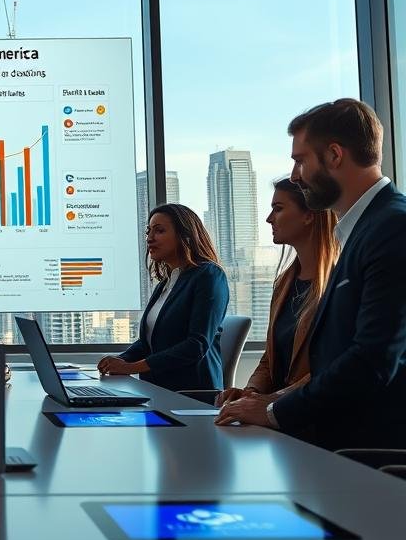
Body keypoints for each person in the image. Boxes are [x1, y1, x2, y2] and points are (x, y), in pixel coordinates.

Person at [217, 99, 406, 449]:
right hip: (330, 446)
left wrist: (274, 411)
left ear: (334, 155)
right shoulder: (361, 231)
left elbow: (373, 359)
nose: (294, 175)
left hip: (363, 456)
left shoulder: (393, 227)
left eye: (300, 160)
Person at [215, 178, 338, 409]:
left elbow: (331, 367)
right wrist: (251, 393)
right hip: (277, 414)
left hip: (312, 415)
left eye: (278, 209)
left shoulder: (339, 284)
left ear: (309, 215)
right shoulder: (284, 283)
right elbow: (270, 359)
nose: (269, 218)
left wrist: (272, 400)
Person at [98, 203, 228, 391]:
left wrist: (131, 368)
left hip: (191, 393)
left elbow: (196, 345)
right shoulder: (166, 283)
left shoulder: (209, 275)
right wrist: (119, 360)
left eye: (159, 231)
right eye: (148, 231)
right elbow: (150, 342)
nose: (150, 238)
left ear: (185, 235)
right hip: (156, 389)